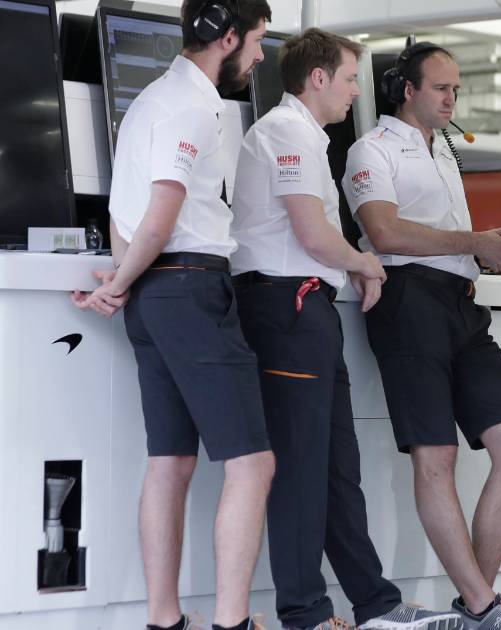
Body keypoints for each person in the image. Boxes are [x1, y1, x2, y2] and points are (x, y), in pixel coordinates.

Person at [229, 28, 463, 630]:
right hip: (284, 307)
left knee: (337, 468)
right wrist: (365, 261)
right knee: (301, 467)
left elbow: (317, 236)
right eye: (350, 78)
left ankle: (375, 603)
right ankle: (304, 612)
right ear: (318, 78)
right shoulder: (285, 132)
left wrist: (351, 265)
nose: (357, 91)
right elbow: (311, 233)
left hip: (310, 307)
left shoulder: (309, 137)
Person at [341, 41, 501, 630]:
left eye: (456, 90)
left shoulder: (442, 148)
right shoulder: (371, 149)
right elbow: (385, 233)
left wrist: (490, 255)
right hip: (408, 303)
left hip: (463, 304)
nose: (451, 99)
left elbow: (443, 235)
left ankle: (474, 604)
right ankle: (485, 607)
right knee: (436, 455)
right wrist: (472, 243)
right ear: (406, 89)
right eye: (441, 88)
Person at [72, 2, 275, 629]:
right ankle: (231, 622)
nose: (260, 56)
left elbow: (122, 211)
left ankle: (164, 620)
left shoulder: (147, 102)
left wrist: (124, 278)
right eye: (258, 41)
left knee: (171, 461)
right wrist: (120, 282)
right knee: (252, 462)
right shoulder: (191, 105)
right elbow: (163, 209)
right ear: (228, 37)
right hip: (189, 288)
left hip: (156, 296)